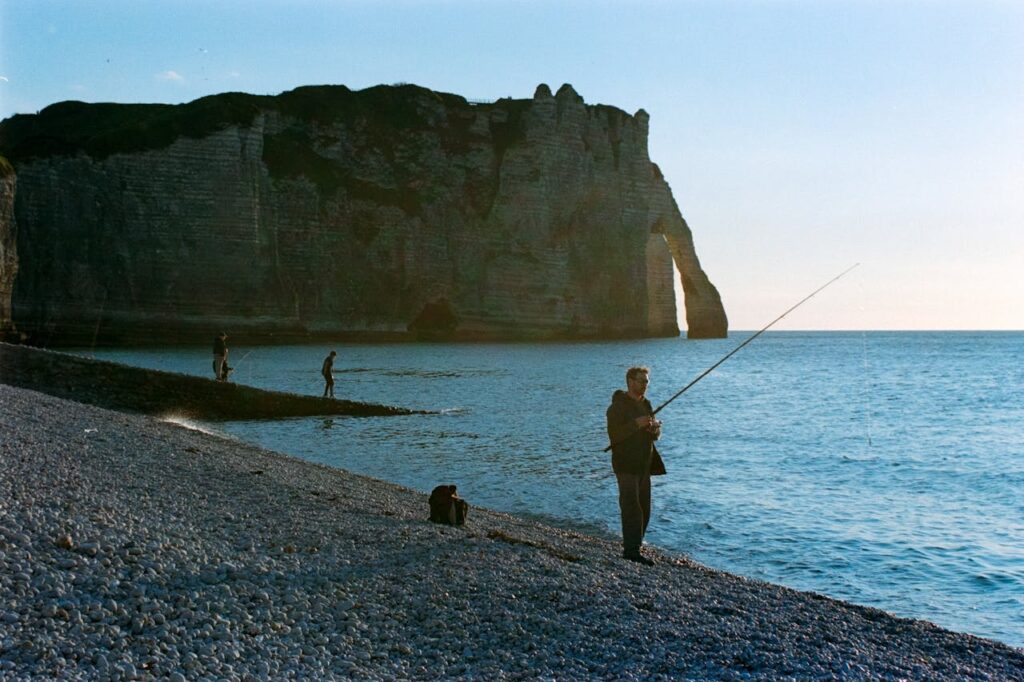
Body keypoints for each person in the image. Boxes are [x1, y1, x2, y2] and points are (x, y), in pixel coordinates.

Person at [606, 366, 666, 566]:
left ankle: (636, 545)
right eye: (642, 381)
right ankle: (631, 551)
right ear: (630, 381)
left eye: (647, 381)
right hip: (625, 464)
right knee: (631, 508)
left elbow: (654, 436)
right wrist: (636, 424)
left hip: (644, 464)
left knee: (645, 508)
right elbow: (615, 436)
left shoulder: (646, 404)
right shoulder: (617, 407)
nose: (645, 385)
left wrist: (654, 429)